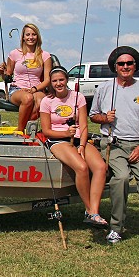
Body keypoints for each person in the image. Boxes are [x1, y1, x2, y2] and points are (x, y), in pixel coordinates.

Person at [89, 46, 139, 251]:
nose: (125, 67)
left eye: (129, 63)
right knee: (121, 178)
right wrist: (105, 118)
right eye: (121, 64)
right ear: (115, 67)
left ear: (135, 66)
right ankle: (116, 227)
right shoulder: (104, 88)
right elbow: (93, 115)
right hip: (114, 145)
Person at [39, 66, 108, 228]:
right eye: (54, 81)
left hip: (78, 139)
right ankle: (90, 210)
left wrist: (83, 145)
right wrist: (65, 133)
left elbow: (84, 125)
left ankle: (94, 211)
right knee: (82, 167)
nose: (58, 83)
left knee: (100, 167)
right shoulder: (46, 101)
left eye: (61, 80)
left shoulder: (78, 97)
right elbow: (46, 131)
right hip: (57, 140)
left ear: (67, 80)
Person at [0, 23, 52, 132]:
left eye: (34, 34)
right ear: (23, 37)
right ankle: (20, 130)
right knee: (27, 98)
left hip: (36, 89)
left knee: (42, 101)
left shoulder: (45, 55)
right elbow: (7, 76)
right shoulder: (14, 54)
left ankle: (23, 129)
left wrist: (34, 89)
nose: (30, 37)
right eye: (27, 35)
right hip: (17, 89)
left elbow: (47, 80)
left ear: (38, 37)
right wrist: (2, 72)